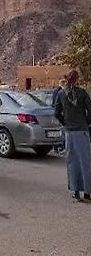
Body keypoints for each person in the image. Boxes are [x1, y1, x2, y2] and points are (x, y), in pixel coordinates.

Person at [54, 69, 91, 202]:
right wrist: (86, 122)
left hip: (69, 132)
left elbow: (56, 112)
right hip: (82, 131)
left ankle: (75, 191)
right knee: (85, 162)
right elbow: (90, 110)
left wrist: (66, 123)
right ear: (77, 79)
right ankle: (87, 192)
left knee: (72, 162)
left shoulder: (61, 94)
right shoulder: (82, 93)